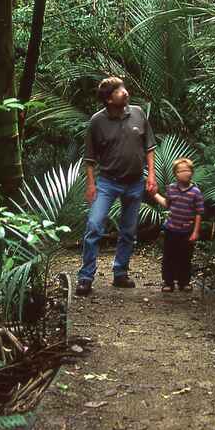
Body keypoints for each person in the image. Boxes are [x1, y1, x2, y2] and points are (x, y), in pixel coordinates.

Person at [75, 77, 157, 295]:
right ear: (109, 99)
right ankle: (85, 277)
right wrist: (91, 184)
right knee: (94, 225)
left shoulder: (138, 113)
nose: (125, 92)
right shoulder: (96, 122)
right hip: (108, 182)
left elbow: (149, 148)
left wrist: (152, 177)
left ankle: (120, 273)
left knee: (128, 231)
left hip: (135, 182)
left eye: (123, 88)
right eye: (119, 91)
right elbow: (90, 158)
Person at [153, 158, 204, 292]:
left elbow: (199, 213)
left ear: (191, 172)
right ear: (175, 173)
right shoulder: (171, 189)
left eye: (187, 170)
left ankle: (184, 282)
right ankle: (168, 282)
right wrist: (154, 194)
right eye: (181, 171)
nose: (184, 173)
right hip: (171, 229)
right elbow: (167, 204)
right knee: (169, 256)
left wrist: (195, 232)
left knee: (185, 257)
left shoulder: (195, 192)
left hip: (187, 230)